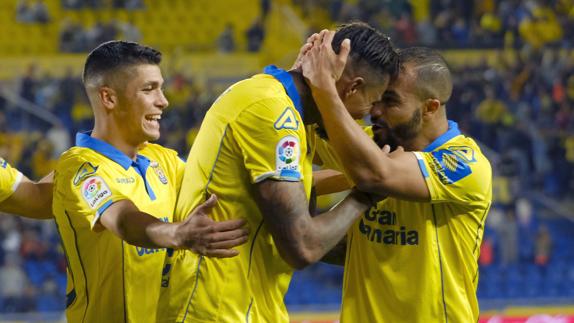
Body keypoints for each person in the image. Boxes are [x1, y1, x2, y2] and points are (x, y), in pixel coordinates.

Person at [160, 22, 399, 323]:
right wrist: (363, 197)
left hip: (252, 307)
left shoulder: (300, 117)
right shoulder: (270, 110)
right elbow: (303, 246)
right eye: (372, 102)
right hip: (214, 311)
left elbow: (373, 164)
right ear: (352, 87)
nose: (368, 114)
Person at [52, 41, 249, 323]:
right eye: (149, 89)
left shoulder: (164, 161)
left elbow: (239, 186)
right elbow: (122, 220)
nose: (163, 100)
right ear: (109, 98)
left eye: (161, 87)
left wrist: (330, 176)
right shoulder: (79, 167)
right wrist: (178, 234)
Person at [302, 37, 493, 322]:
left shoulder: (464, 163)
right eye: (377, 98)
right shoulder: (370, 149)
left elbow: (376, 174)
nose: (374, 111)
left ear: (430, 107)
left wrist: (326, 91)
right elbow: (296, 135)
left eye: (390, 101)